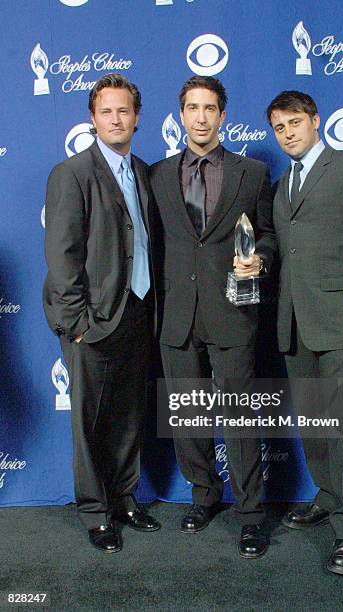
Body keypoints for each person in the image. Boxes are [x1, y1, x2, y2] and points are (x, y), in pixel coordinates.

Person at [266, 90, 343, 575]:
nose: (288, 133)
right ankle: (326, 494)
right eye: (279, 127)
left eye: (295, 122)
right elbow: (286, 250)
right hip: (295, 325)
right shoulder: (283, 185)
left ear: (315, 121)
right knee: (316, 425)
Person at [150, 76, 275, 558]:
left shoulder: (253, 173)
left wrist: (260, 258)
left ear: (223, 116)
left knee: (242, 419)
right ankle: (203, 497)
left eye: (209, 108)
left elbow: (268, 235)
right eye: (192, 108)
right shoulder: (157, 174)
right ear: (181, 115)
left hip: (233, 312)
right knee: (189, 417)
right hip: (177, 316)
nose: (200, 117)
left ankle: (251, 515)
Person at [43, 73, 160, 553]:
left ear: (137, 118)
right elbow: (62, 252)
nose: (116, 119)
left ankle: (124, 497)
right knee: (89, 421)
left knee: (129, 415)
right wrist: (75, 323)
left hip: (138, 311)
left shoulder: (145, 171)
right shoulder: (71, 173)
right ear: (93, 119)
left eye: (124, 111)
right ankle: (95, 512)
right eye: (106, 111)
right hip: (90, 320)